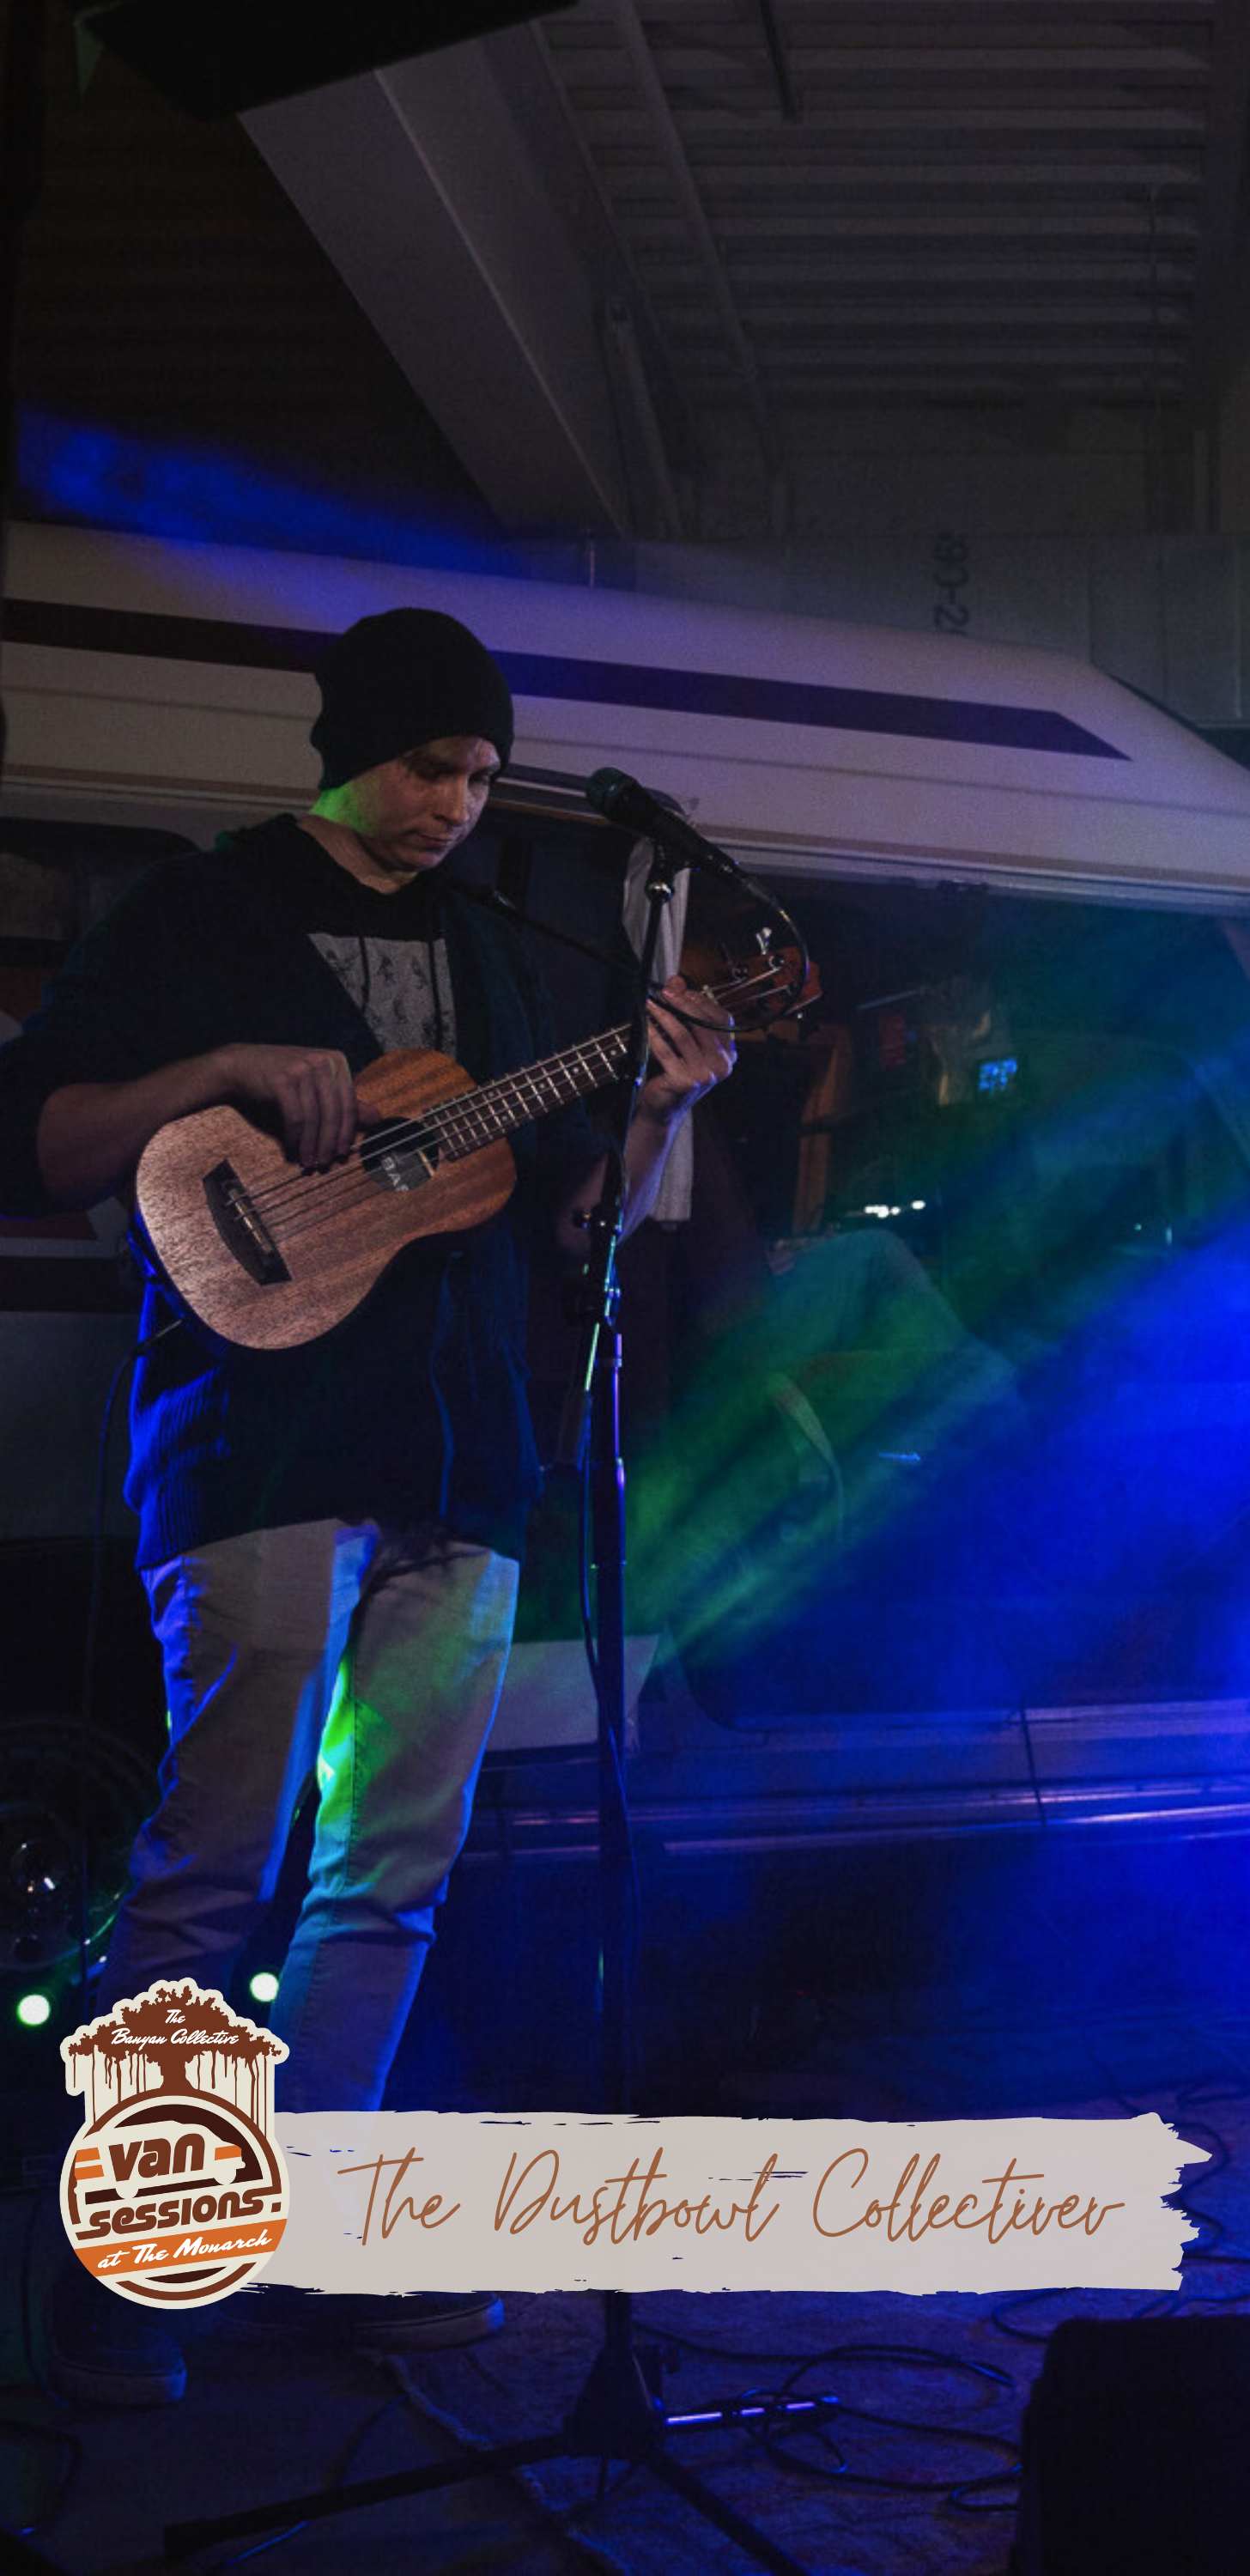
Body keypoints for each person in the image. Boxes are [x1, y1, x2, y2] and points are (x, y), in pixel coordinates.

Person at [0, 607, 736, 2402]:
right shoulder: (207, 910)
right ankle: (131, 2277)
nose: (457, 803)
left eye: (480, 774)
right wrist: (220, 1071)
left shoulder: (499, 950)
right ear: (347, 749)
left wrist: (659, 1111)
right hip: (257, 1446)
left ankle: (314, 2240)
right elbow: (49, 1139)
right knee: (211, 1867)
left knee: (392, 1872)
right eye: (429, 765)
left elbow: (573, 1223)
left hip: (464, 1462)